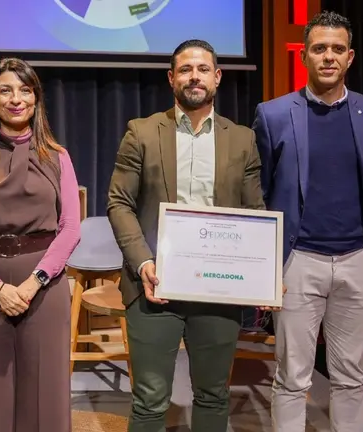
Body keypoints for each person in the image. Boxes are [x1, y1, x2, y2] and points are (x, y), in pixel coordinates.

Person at [107, 39, 267, 432]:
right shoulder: (142, 132)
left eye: (202, 69)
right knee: (149, 399)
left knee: (213, 395)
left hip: (217, 289)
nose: (194, 77)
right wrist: (143, 262)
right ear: (171, 78)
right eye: (185, 69)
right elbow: (119, 202)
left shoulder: (242, 138)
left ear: (217, 77)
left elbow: (254, 214)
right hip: (154, 285)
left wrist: (262, 275)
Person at [252, 11, 363, 431]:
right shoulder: (273, 113)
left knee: (352, 376)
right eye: (319, 49)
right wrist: (265, 266)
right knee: (292, 377)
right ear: (304, 57)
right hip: (298, 262)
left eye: (336, 49)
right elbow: (260, 191)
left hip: (359, 260)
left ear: (350, 57)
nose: (328, 57)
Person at [0, 57, 81, 432]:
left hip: (44, 283)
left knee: (46, 391)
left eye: (25, 90)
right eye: (5, 90)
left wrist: (34, 281)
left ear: (37, 100)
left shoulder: (58, 157)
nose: (16, 99)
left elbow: (70, 227)